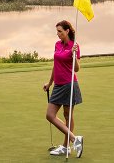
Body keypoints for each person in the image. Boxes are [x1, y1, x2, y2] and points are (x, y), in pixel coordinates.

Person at [42, 20, 84, 157]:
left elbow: (76, 69)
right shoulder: (57, 44)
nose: (58, 34)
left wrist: (73, 55)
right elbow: (56, 65)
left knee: (67, 116)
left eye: (60, 31)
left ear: (67, 31)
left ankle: (66, 147)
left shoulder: (74, 46)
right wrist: (50, 83)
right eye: (57, 31)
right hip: (58, 85)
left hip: (69, 84)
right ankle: (74, 139)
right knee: (50, 115)